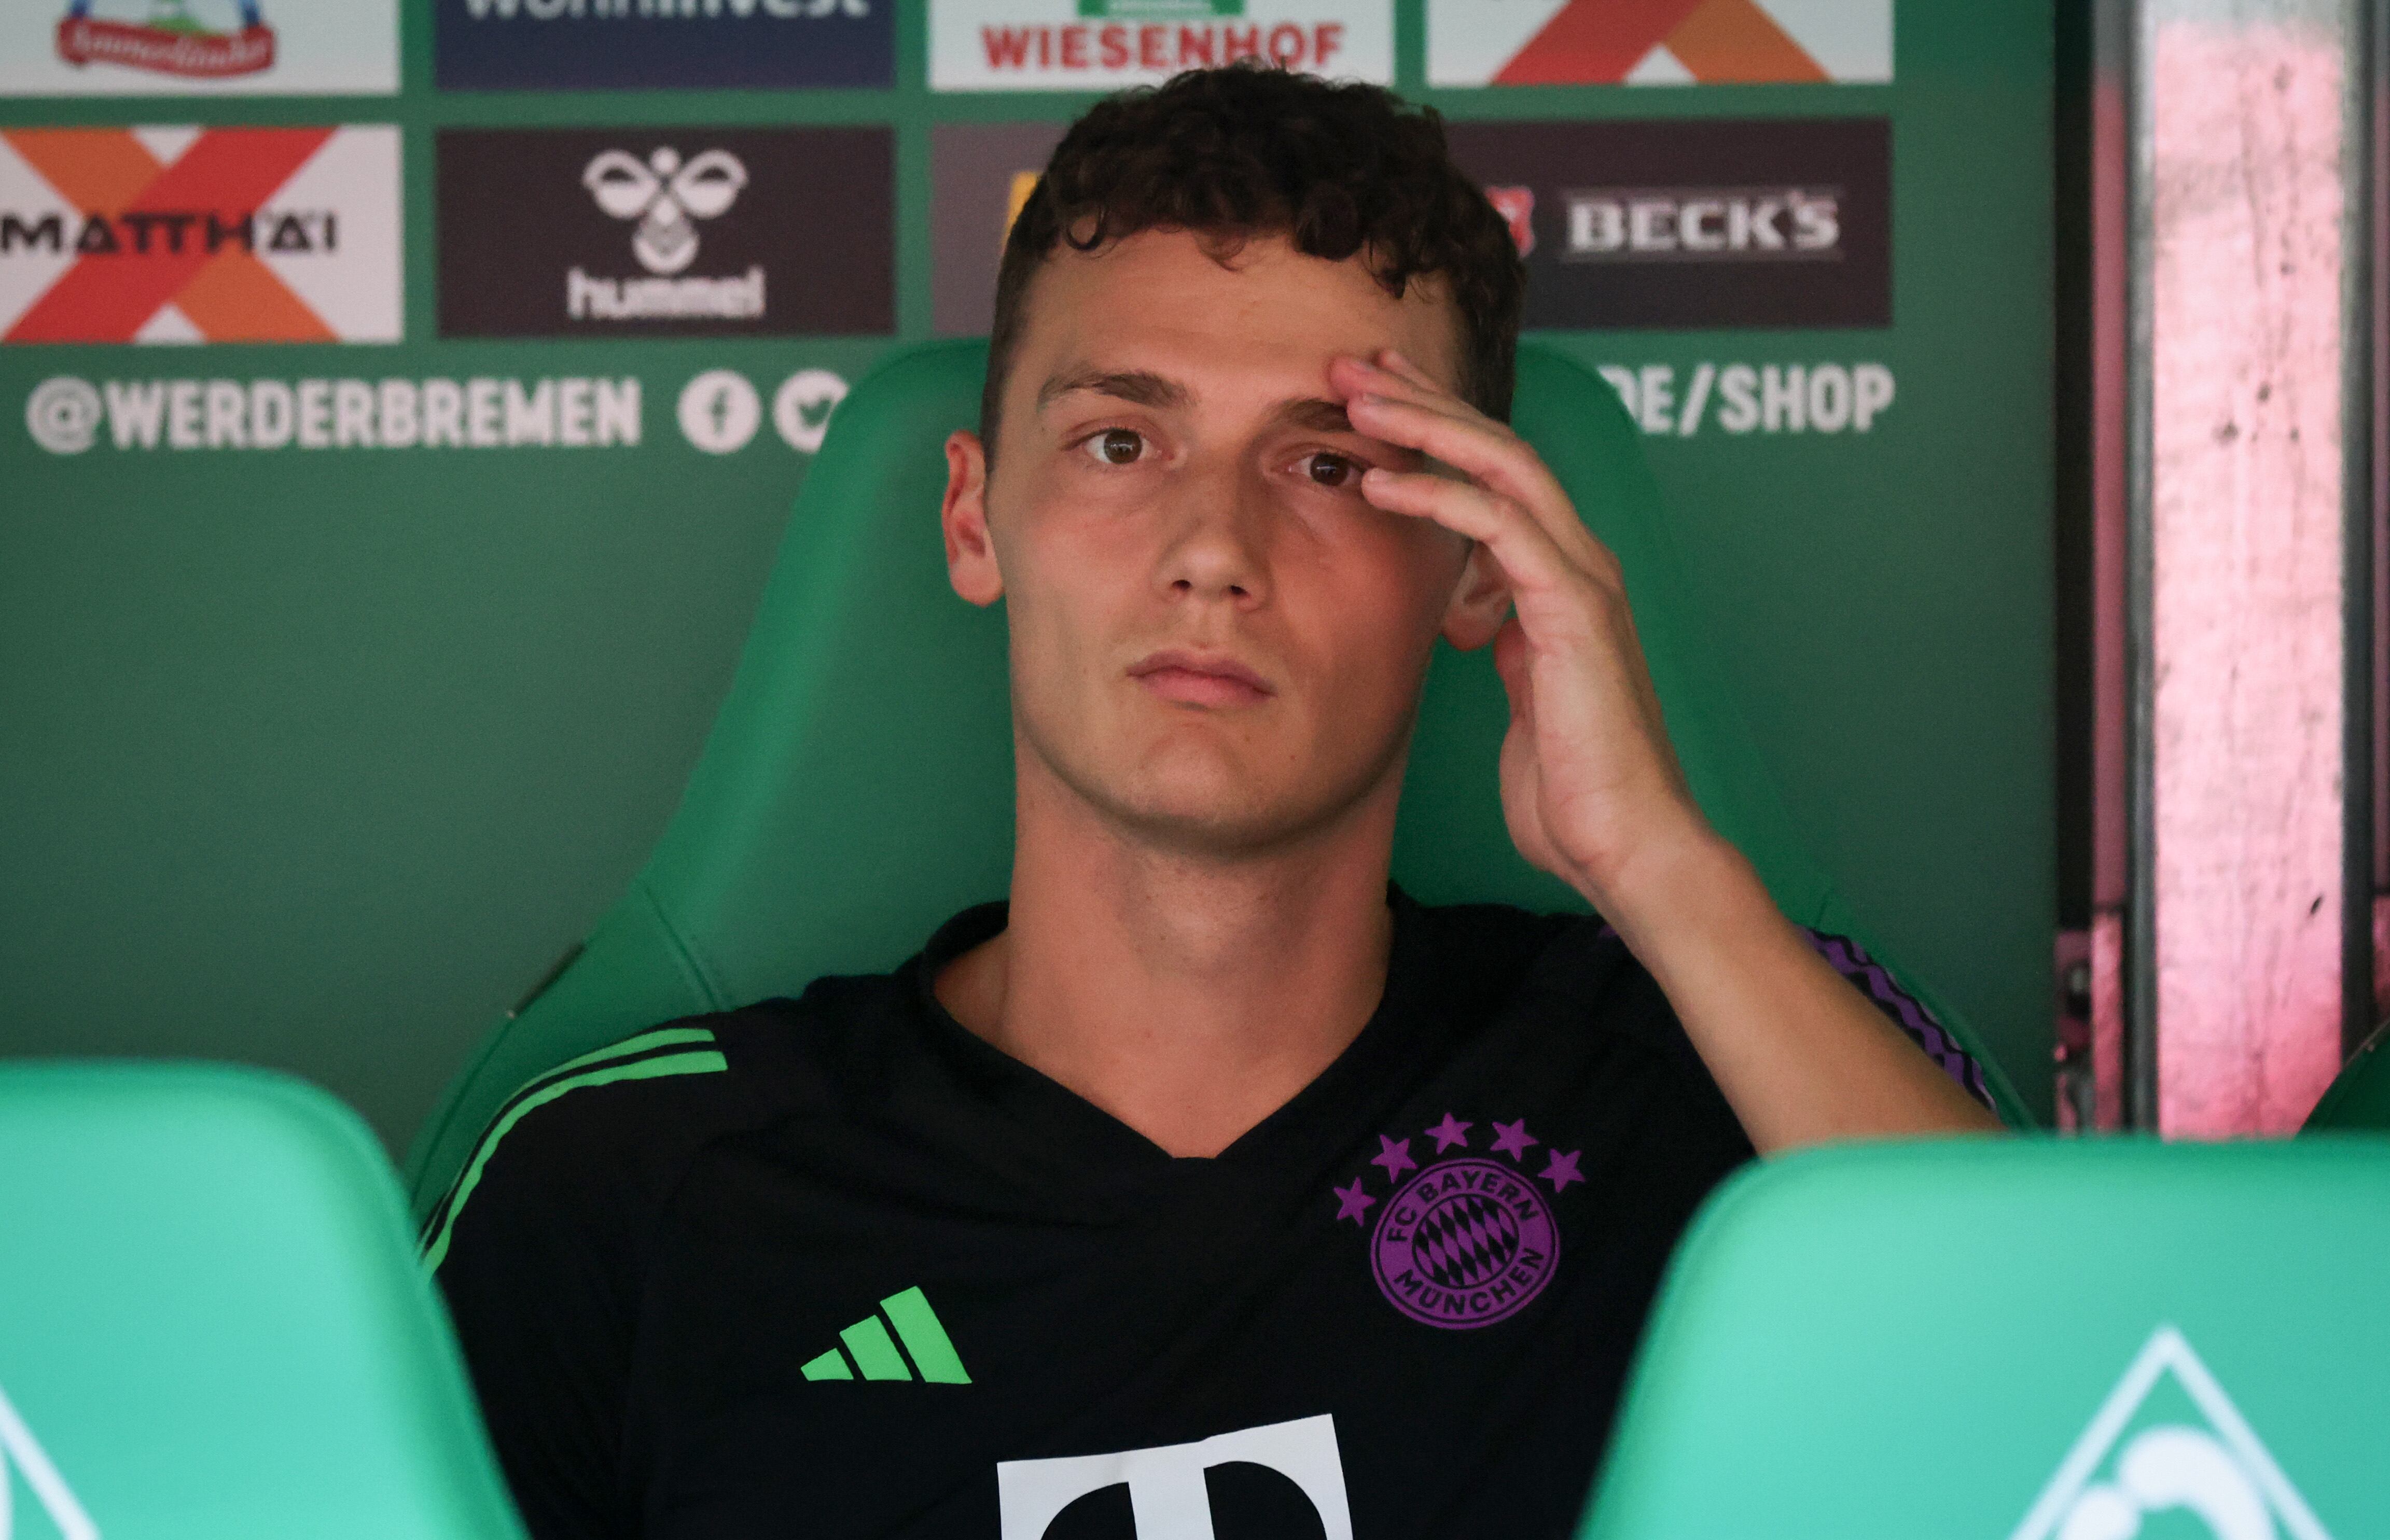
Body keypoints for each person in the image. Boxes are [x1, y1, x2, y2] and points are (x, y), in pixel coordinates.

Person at [427, 63, 2001, 1540]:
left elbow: (2053, 1410)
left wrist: (1658, 866)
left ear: (1474, 561)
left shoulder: (1692, 1085)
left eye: (1326, 466)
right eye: (1122, 441)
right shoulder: (630, 1186)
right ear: (975, 520)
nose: (1213, 548)